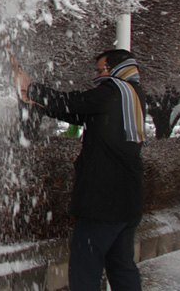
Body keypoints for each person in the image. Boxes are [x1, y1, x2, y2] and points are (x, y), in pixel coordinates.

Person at [13, 49, 146, 291]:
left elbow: (73, 103)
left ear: (115, 69)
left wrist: (32, 88)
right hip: (129, 201)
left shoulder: (112, 92)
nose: (97, 75)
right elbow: (78, 113)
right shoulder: (134, 95)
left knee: (85, 270)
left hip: (103, 203)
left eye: (100, 70)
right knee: (121, 266)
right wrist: (35, 97)